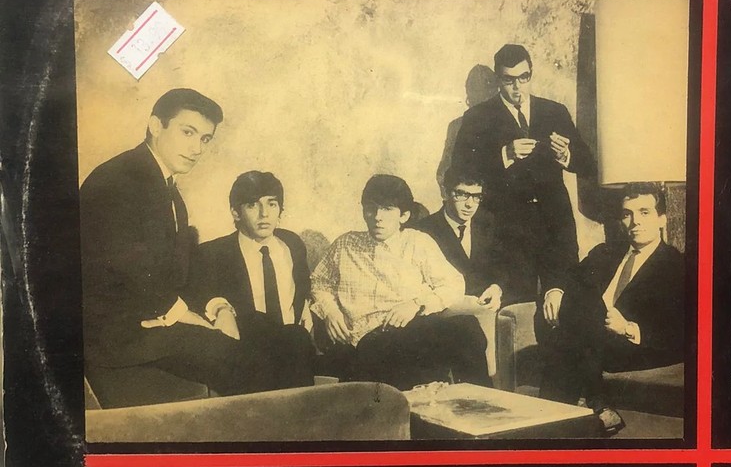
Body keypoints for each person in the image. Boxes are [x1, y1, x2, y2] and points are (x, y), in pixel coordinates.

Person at [79, 89, 276, 406]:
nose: (197, 148)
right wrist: (187, 316)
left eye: (205, 139)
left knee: (269, 332)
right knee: (243, 359)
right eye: (188, 132)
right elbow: (130, 268)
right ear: (156, 125)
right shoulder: (117, 179)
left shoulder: (169, 190)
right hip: (118, 335)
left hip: (153, 321)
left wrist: (218, 308)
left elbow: (183, 270)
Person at [310, 174, 489, 388]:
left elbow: (453, 284)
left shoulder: (417, 242)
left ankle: (481, 401)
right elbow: (319, 283)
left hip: (409, 331)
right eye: (371, 208)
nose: (377, 217)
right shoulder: (345, 244)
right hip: (364, 339)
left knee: (467, 327)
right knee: (389, 354)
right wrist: (330, 312)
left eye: (387, 209)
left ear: (404, 215)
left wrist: (415, 304)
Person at [536, 184, 685, 434]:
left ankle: (548, 425)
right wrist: (555, 290)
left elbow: (680, 329)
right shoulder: (605, 253)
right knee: (578, 312)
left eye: (644, 212)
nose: (635, 222)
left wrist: (627, 328)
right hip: (591, 339)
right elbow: (570, 277)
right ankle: (595, 405)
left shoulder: (677, 266)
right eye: (627, 214)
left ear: (662, 219)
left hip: (633, 346)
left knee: (565, 341)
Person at [451, 43, 595, 302]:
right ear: (498, 80)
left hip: (555, 223)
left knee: (563, 300)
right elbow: (459, 171)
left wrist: (565, 155)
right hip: (507, 229)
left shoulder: (555, 111)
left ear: (531, 74)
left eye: (523, 78)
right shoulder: (476, 118)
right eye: (509, 80)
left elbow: (587, 164)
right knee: (515, 305)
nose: (517, 87)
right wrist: (504, 155)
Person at [188, 171, 315, 391]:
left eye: (272, 204)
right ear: (235, 212)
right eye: (252, 205)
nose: (264, 214)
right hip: (248, 353)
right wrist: (221, 308)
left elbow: (303, 286)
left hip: (295, 349)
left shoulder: (292, 244)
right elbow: (198, 294)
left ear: (281, 210)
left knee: (295, 338)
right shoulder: (213, 253)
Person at [410, 166, 506, 307]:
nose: (469, 204)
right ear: (445, 193)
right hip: (444, 310)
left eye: (476, 197)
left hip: (488, 305)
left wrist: (496, 288)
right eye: (461, 194)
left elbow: (503, 265)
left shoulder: (488, 223)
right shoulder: (423, 230)